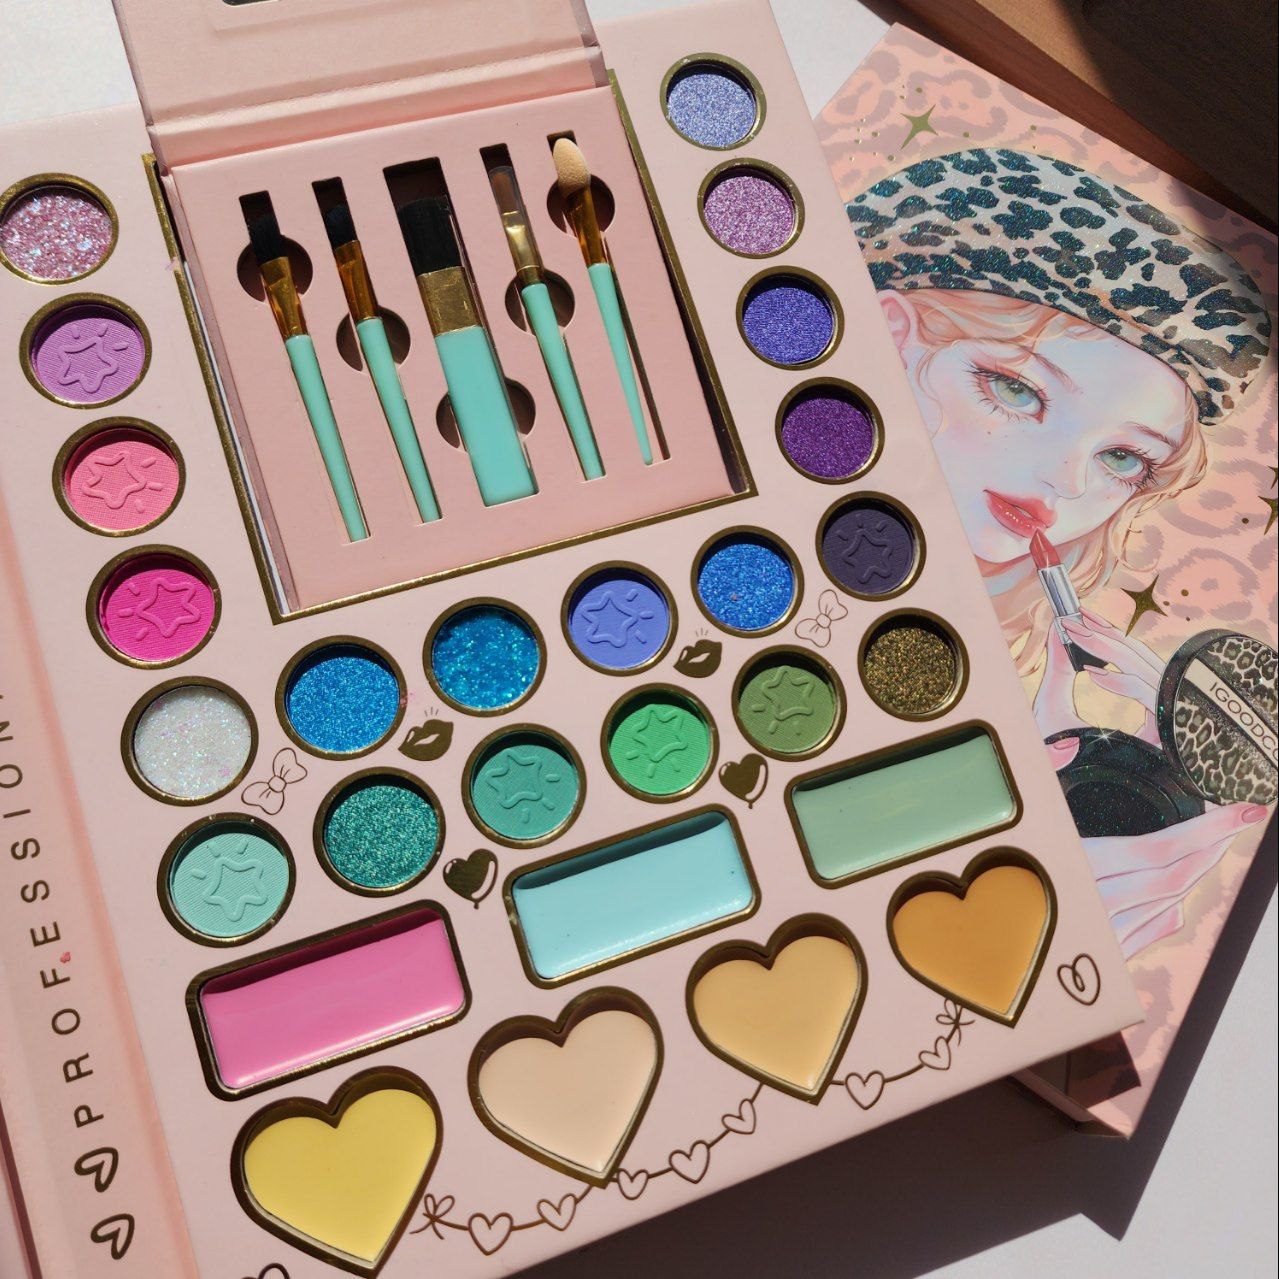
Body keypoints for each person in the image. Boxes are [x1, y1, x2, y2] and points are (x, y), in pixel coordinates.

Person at [849, 148, 1274, 957]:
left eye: (1122, 458)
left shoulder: (1022, 681)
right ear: (889, 333)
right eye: (1016, 390)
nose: (1065, 479)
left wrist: (1060, 910)